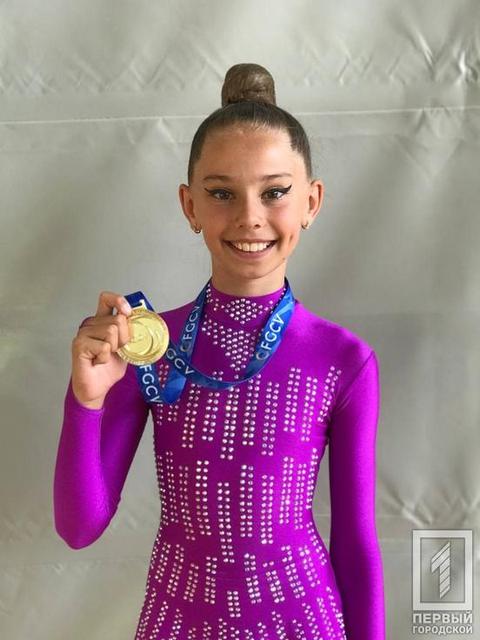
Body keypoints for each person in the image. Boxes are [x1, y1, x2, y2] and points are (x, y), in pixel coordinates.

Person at [53, 62, 386, 639]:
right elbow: (79, 527)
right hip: (178, 622)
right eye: (222, 193)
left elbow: (356, 544)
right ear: (190, 206)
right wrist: (85, 399)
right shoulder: (145, 345)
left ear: (311, 201)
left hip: (303, 622)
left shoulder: (343, 360)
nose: (250, 217)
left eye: (275, 192)